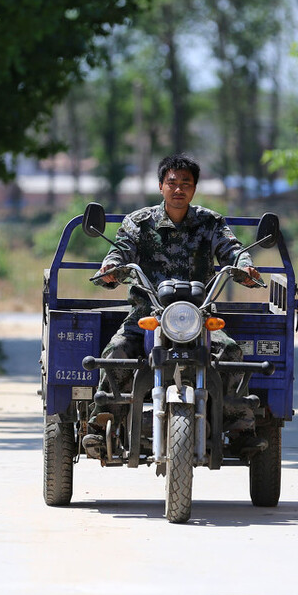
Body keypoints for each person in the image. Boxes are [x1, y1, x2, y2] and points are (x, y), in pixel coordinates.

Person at [85, 152, 265, 457]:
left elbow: (232, 250)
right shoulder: (138, 223)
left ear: (194, 188)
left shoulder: (210, 222)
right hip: (147, 313)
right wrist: (111, 269)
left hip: (199, 315)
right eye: (172, 182)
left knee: (231, 352)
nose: (179, 188)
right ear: (160, 186)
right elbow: (119, 253)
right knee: (114, 353)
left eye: (186, 183)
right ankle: (103, 424)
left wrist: (244, 267)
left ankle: (239, 428)